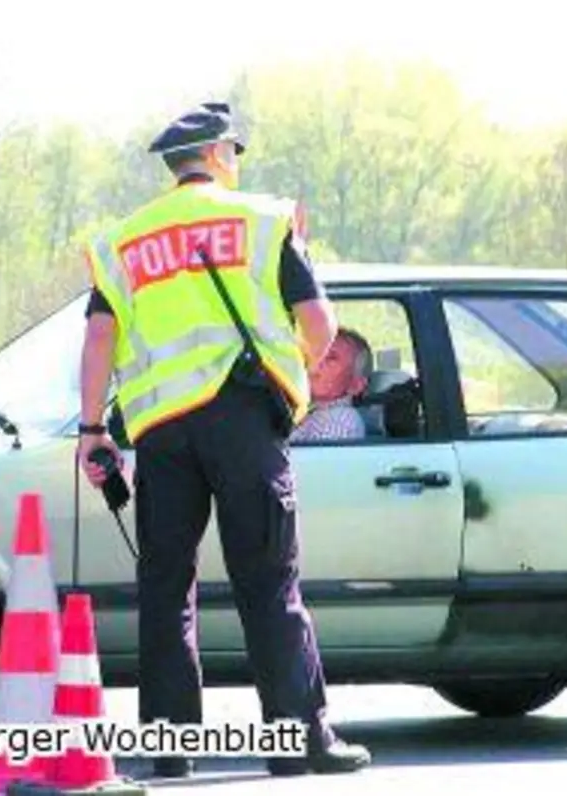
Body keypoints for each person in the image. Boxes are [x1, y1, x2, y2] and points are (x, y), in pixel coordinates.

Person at [76, 102, 371, 779]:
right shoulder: (263, 220)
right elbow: (320, 324)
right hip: (244, 423)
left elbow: (98, 337)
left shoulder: (123, 240)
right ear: (215, 156)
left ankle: (171, 747)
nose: (236, 162)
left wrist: (92, 429)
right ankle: (297, 742)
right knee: (269, 582)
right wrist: (286, 378)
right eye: (232, 151)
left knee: (165, 585)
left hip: (161, 435)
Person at [290, 327, 372, 443]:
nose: (315, 361)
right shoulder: (303, 411)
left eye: (331, 358)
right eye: (314, 353)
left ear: (355, 385)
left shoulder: (340, 421)